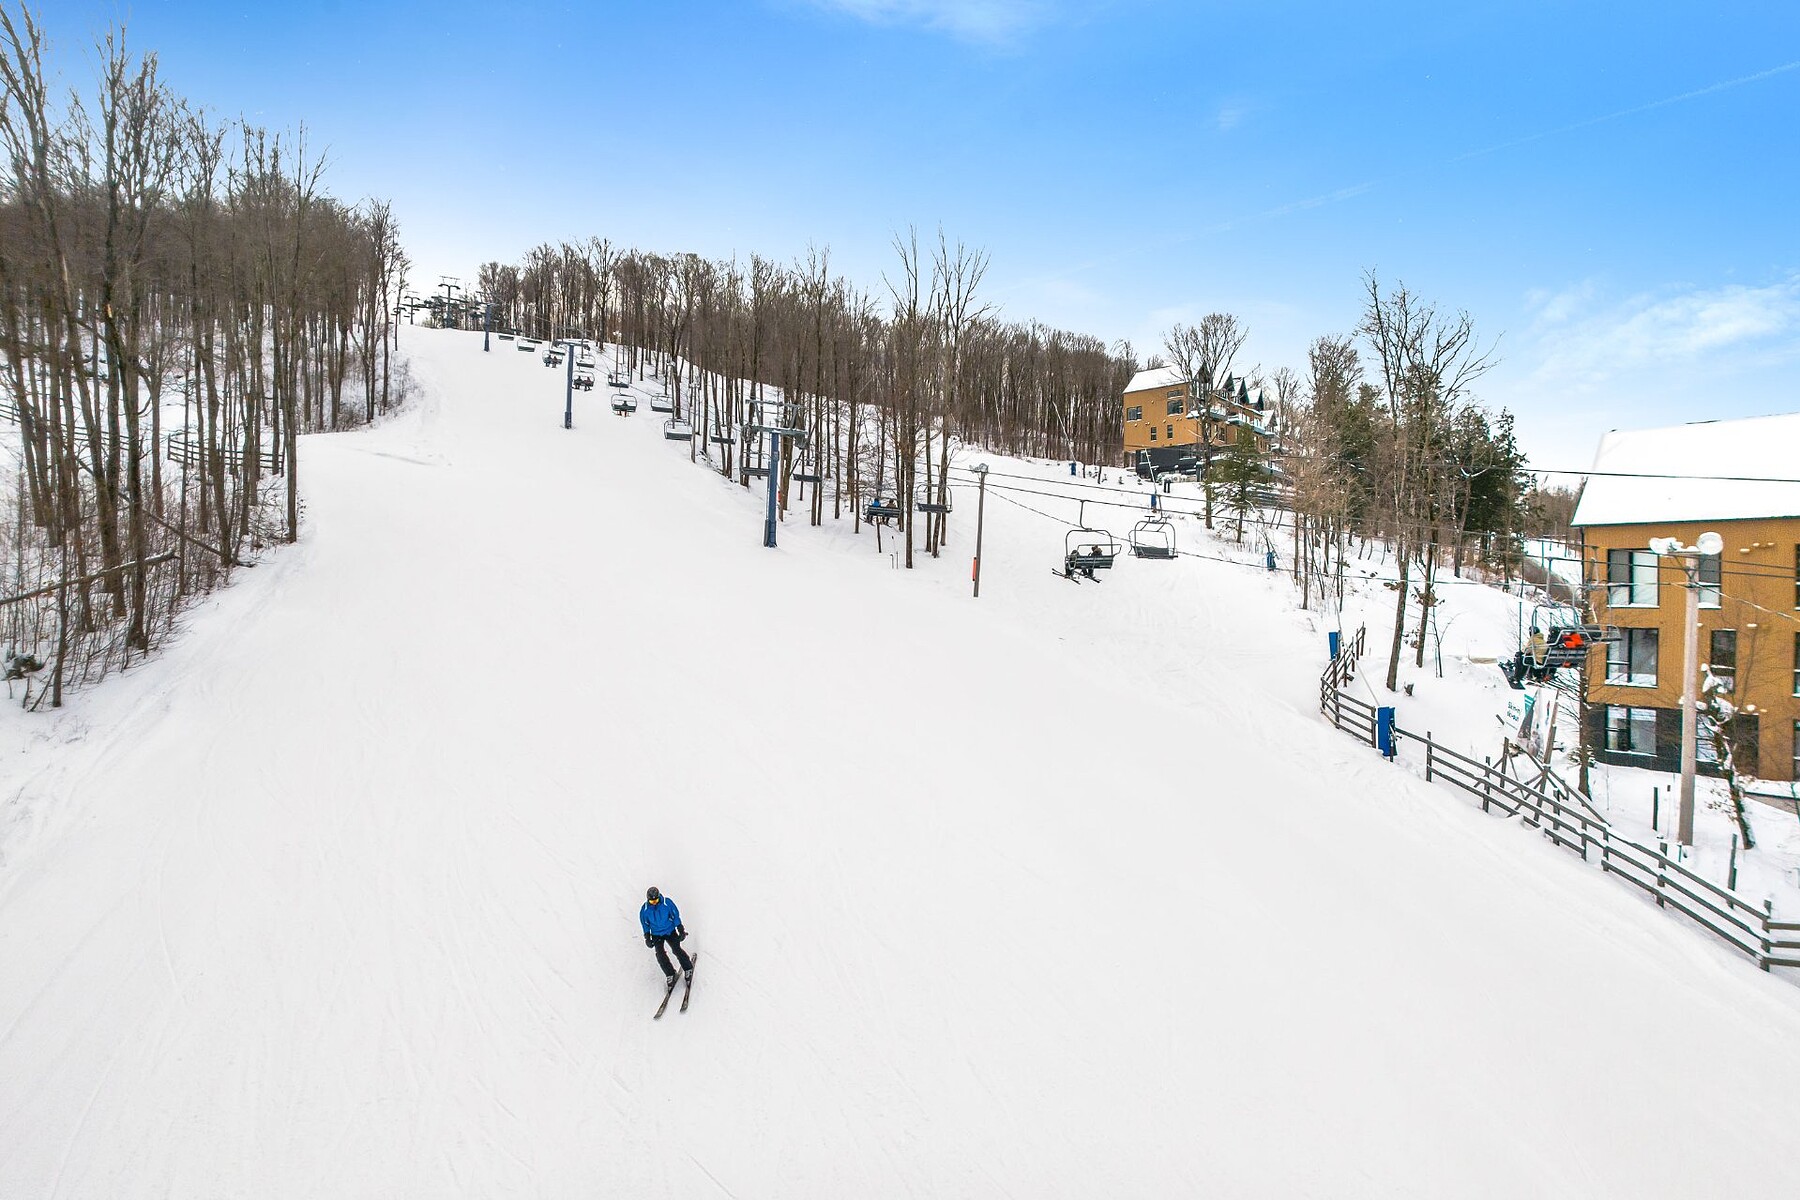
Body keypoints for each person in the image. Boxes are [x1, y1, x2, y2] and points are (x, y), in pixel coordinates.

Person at [640, 885, 692, 983]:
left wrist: (680, 930)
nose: (654, 903)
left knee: (676, 949)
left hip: (669, 931)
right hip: (656, 934)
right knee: (660, 955)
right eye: (652, 902)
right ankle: (670, 973)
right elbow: (645, 924)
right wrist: (647, 937)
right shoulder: (645, 910)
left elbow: (675, 916)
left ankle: (688, 967)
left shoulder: (666, 903)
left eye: (656, 901)